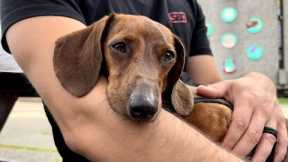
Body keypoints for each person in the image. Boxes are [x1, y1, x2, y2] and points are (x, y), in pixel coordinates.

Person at [1, 0, 287, 161]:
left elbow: (209, 89)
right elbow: (88, 122)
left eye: (166, 57)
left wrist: (255, 83)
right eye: (121, 48)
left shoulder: (187, 3)